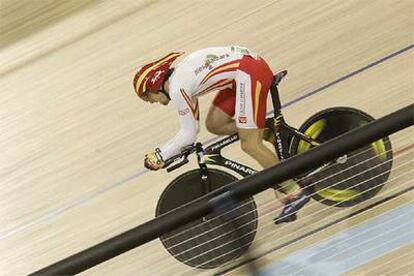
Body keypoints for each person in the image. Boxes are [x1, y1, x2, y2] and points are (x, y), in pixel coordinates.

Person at [133, 46, 309, 223]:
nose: (151, 103)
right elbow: (193, 128)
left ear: (154, 86)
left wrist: (160, 155)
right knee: (215, 124)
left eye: (147, 98)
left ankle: (295, 192)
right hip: (243, 73)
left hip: (249, 74)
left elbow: (188, 134)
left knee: (250, 145)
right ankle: (266, 133)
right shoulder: (180, 81)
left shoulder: (178, 89)